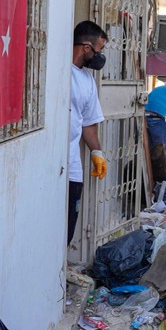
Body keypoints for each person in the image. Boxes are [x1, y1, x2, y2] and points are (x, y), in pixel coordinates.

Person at [69, 20, 108, 244]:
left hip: (73, 164)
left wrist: (97, 152)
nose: (99, 57)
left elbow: (89, 123)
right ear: (86, 47)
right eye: (99, 50)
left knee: (68, 223)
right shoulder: (58, 69)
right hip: (50, 162)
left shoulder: (87, 81)